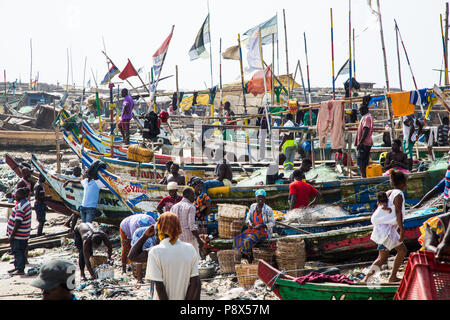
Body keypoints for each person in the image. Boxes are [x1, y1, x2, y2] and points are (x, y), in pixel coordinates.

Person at [363, 170, 408, 283]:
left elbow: (379, 204)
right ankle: (366, 279)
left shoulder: (389, 192)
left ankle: (392, 277)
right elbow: (398, 212)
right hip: (386, 230)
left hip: (386, 229)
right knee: (382, 258)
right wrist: (402, 230)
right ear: (403, 183)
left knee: (402, 250)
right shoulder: (398, 194)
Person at [145, 212, 200, 300]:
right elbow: (195, 282)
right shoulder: (190, 249)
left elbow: (159, 286)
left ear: (159, 228)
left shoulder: (155, 252)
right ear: (178, 227)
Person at [233, 190, 275, 263]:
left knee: (248, 240)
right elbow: (248, 218)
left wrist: (263, 225)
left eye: (262, 197)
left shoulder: (268, 209)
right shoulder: (252, 207)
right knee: (237, 239)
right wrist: (250, 223)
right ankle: (240, 258)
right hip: (253, 230)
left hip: (263, 232)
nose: (260, 199)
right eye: (259, 197)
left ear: (265, 198)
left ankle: (249, 258)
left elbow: (272, 223)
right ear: (256, 198)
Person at [170, 188, 204, 258]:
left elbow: (171, 224)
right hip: (189, 239)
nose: (194, 197)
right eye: (192, 195)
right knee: (194, 259)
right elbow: (191, 225)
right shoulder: (191, 207)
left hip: (177, 239)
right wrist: (198, 239)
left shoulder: (174, 207)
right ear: (186, 195)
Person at [7, 187, 32, 276]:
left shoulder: (21, 206)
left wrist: (12, 235)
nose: (15, 196)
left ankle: (20, 269)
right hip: (23, 233)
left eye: (16, 194)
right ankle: (17, 267)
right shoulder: (26, 203)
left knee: (18, 251)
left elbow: (18, 221)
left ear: (21, 195)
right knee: (19, 251)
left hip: (19, 234)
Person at [355, 104, 374, 178]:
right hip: (364, 142)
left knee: (361, 161)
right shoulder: (365, 117)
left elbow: (366, 129)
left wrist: (360, 142)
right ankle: (364, 176)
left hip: (365, 143)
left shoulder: (367, 117)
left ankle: (363, 177)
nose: (360, 112)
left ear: (364, 110)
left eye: (360, 110)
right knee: (363, 161)